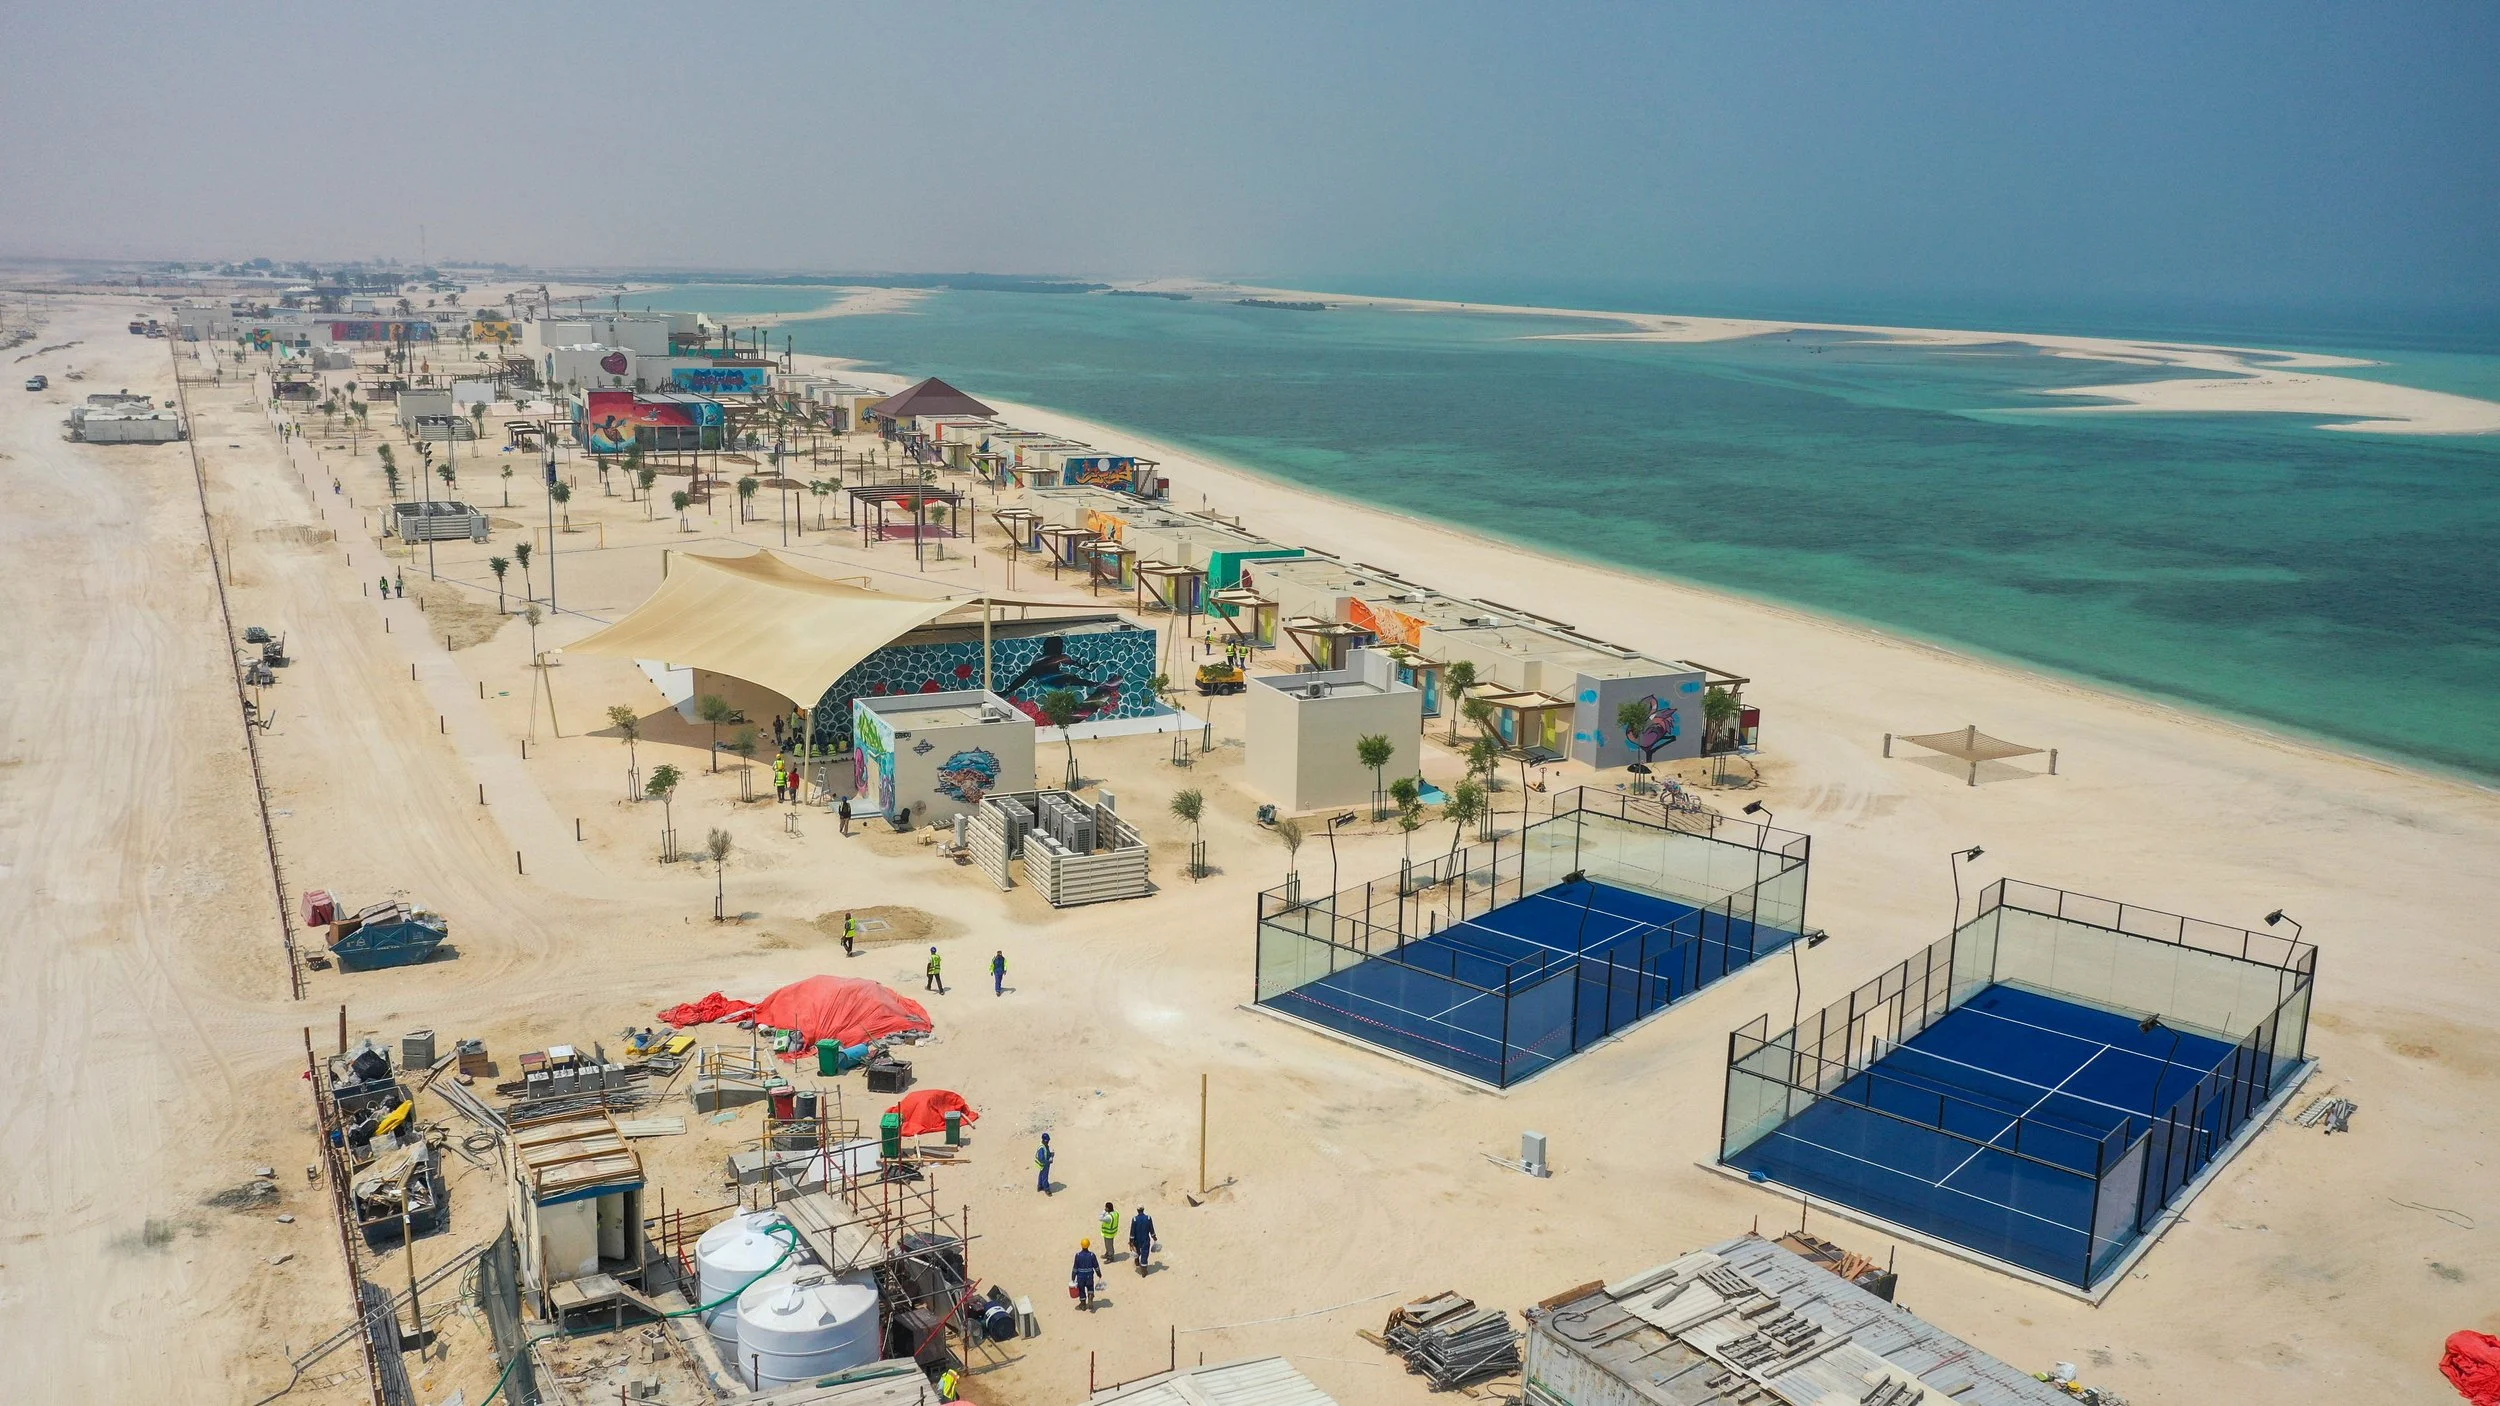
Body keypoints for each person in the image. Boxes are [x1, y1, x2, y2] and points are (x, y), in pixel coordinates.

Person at [1072, 1239, 1099, 1310]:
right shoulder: (1092, 1255)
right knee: (1090, 1287)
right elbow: (1096, 1266)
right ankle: (1090, 1296)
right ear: (1088, 1245)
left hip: (1080, 1277)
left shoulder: (1078, 1255)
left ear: (1081, 1245)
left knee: (1081, 1290)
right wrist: (1099, 1274)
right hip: (1089, 1276)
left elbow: (1075, 1267)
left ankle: (1083, 1305)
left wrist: (1073, 1276)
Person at [1129, 1206, 1157, 1273]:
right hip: (1145, 1239)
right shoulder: (1148, 1218)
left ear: (1137, 1210)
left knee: (1136, 1251)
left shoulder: (1134, 1219)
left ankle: (1137, 1261)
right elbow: (1151, 1229)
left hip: (1136, 1240)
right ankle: (1144, 1271)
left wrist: (1131, 1241)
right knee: (1145, 1254)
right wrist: (1154, 1237)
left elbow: (1132, 1231)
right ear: (1143, 1210)